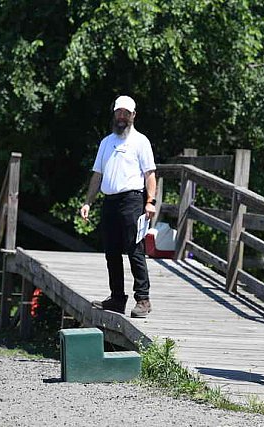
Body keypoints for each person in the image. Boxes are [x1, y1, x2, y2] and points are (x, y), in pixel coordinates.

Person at [80, 95, 156, 318]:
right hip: (110, 201)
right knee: (111, 251)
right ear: (114, 114)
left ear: (133, 115)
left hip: (132, 200)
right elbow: (97, 175)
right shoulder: (106, 142)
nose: (122, 116)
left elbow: (150, 174)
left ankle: (143, 299)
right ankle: (116, 298)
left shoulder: (141, 141)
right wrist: (88, 202)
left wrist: (150, 202)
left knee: (134, 250)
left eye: (126, 113)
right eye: (118, 112)